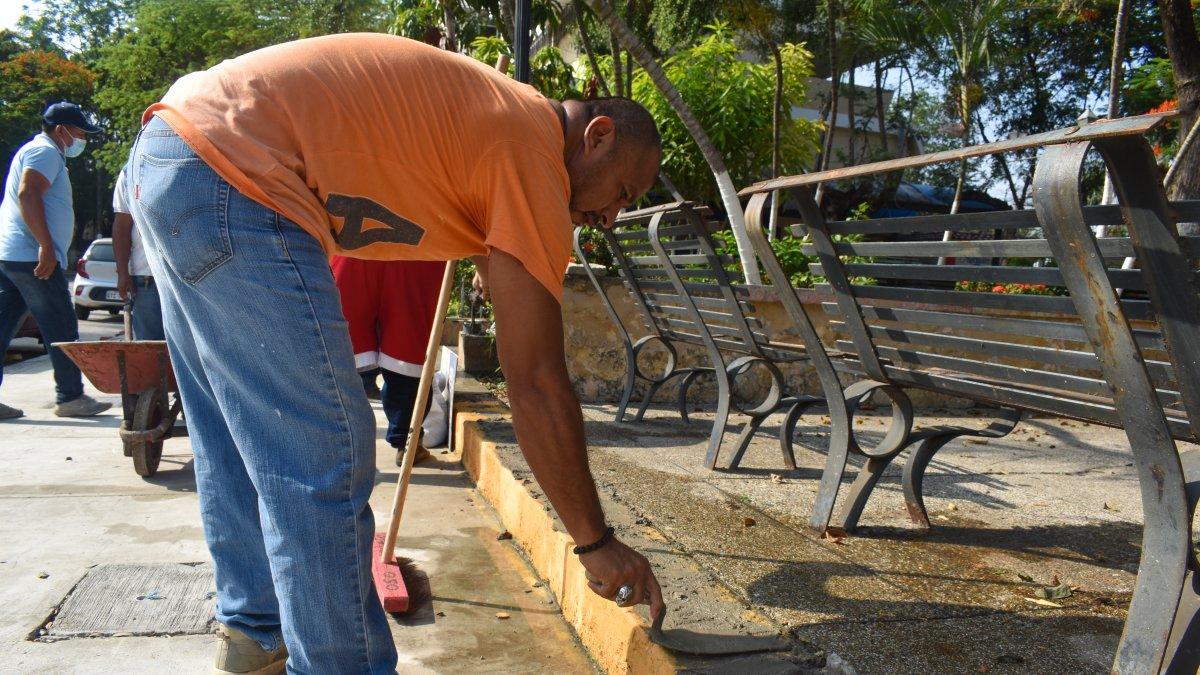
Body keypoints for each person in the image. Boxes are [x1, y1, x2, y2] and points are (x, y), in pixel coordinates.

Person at [127, 33, 663, 674]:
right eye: (625, 192)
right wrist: (594, 542)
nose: (611, 217)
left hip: (176, 155)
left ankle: (258, 633)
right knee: (324, 455)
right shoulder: (532, 150)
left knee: (235, 441)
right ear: (597, 136)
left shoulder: (501, 128)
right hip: (235, 174)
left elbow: (511, 303)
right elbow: (537, 381)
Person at [0, 101, 112, 419]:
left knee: (3, 326)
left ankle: (70, 396)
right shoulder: (45, 152)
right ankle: (71, 397)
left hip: (13, 255)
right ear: (61, 130)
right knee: (61, 324)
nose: (82, 139)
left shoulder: (36, 151)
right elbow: (28, 193)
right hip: (31, 257)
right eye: (79, 132)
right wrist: (45, 245)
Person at [330, 255, 443, 461]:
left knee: (349, 355)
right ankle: (406, 444)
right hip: (411, 251)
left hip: (358, 249)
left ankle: (343, 442)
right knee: (406, 353)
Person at [111, 163, 164, 340]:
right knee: (151, 348)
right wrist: (122, 272)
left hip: (188, 276)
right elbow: (122, 225)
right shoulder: (131, 171)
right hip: (147, 278)